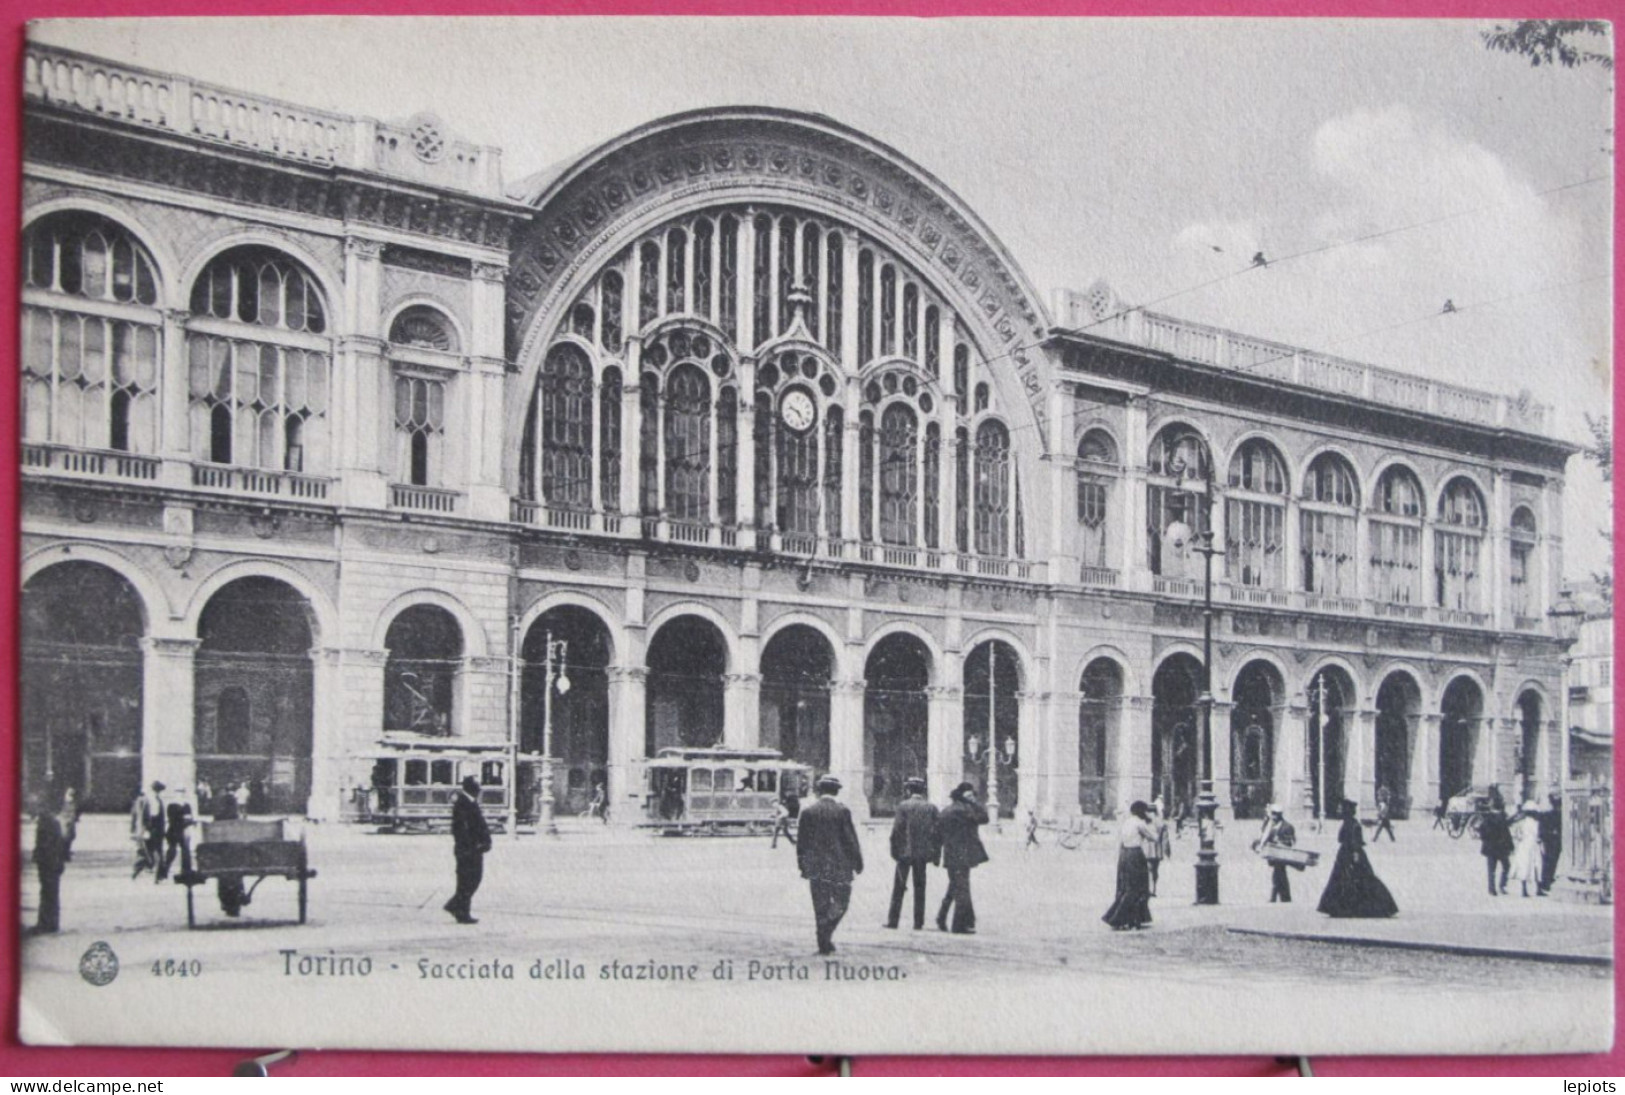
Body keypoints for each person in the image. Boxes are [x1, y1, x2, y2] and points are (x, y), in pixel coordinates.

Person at [795, 775, 864, 955]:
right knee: (841, 903)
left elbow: (801, 843)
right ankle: (826, 934)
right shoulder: (842, 811)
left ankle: (823, 941)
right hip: (839, 866)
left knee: (820, 905)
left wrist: (802, 865)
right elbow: (850, 840)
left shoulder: (808, 811)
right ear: (837, 791)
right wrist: (858, 862)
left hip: (816, 867)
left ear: (819, 791)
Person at [1317, 799, 1398, 918]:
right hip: (1345, 855)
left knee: (1360, 879)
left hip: (1351, 855)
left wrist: (1355, 856)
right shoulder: (1347, 822)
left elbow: (1355, 841)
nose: (1339, 811)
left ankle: (1369, 907)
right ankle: (1341, 907)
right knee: (1342, 880)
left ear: (1347, 811)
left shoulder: (1353, 824)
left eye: (1341, 809)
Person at [885, 777, 940, 930]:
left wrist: (894, 852)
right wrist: (936, 855)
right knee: (920, 887)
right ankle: (918, 922)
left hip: (904, 853)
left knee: (899, 887)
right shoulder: (931, 808)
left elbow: (896, 831)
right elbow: (937, 834)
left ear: (909, 790)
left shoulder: (903, 806)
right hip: (922, 854)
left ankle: (893, 921)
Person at [936, 782, 989, 934]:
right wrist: (974, 803)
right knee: (962, 890)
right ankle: (959, 925)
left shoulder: (946, 811)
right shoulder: (966, 810)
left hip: (951, 855)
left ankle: (941, 917)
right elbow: (984, 818)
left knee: (955, 886)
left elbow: (938, 833)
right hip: (964, 855)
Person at [445, 776, 493, 924]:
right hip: (469, 850)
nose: (479, 790)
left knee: (471, 880)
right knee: (468, 881)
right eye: (477, 787)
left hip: (473, 848)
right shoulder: (463, 803)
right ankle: (459, 910)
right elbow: (461, 829)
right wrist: (472, 845)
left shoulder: (469, 802)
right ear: (471, 788)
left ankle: (457, 907)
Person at [1103, 801, 1157, 930]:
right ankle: (1123, 918)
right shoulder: (1140, 823)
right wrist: (1152, 822)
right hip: (1136, 855)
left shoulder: (1126, 822)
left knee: (1126, 887)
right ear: (1141, 811)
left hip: (1124, 854)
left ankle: (1127, 918)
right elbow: (1154, 838)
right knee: (1139, 887)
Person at [32, 791, 68, 935]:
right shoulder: (51, 821)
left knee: (48, 893)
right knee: (50, 893)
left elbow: (47, 845)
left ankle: (46, 923)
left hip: (49, 863)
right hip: (52, 863)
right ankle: (50, 923)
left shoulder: (47, 822)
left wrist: (40, 857)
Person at [1255, 803, 1297, 903]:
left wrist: (1280, 842)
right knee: (1279, 874)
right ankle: (1284, 897)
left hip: (1282, 854)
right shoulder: (1270, 825)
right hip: (1274, 854)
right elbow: (1263, 834)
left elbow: (1291, 842)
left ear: (1280, 815)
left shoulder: (1287, 826)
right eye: (1272, 814)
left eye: (1276, 814)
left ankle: (1278, 897)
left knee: (1279, 874)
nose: (1274, 816)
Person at [131, 781, 165, 880]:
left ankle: (159, 876)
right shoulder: (143, 800)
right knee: (145, 852)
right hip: (147, 828)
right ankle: (137, 870)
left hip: (157, 828)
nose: (157, 792)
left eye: (158, 791)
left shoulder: (159, 800)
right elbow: (141, 817)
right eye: (155, 790)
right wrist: (144, 830)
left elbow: (160, 817)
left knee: (158, 852)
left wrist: (162, 830)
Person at [1478, 799, 1513, 897]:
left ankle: (1491, 889)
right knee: (1507, 866)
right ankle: (1502, 885)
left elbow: (1481, 832)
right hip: (1501, 848)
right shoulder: (1502, 818)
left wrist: (1486, 841)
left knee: (1491, 869)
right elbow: (1507, 834)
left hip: (1490, 848)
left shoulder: (1487, 818)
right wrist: (1510, 847)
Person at [1507, 800, 1542, 898]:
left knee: (1524, 866)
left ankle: (1524, 889)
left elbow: (1515, 833)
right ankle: (1538, 889)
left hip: (1524, 845)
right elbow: (1539, 835)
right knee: (1537, 865)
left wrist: (1520, 838)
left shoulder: (1521, 822)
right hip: (1534, 845)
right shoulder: (1536, 823)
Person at [161, 788, 195, 881]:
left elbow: (190, 817)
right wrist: (186, 821)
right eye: (179, 793)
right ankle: (164, 871)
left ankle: (186, 871)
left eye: (182, 793)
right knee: (172, 851)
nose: (181, 795)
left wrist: (189, 822)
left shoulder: (187, 805)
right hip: (174, 831)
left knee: (186, 851)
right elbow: (173, 819)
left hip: (183, 831)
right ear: (175, 794)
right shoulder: (172, 806)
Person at [1538, 792, 1563, 896]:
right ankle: (1546, 883)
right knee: (1550, 862)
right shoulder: (1555, 814)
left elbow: (1541, 829)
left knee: (1548, 862)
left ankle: (1547, 882)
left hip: (1550, 841)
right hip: (1552, 841)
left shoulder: (1547, 814)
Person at [1145, 798, 1171, 896]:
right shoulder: (1161, 823)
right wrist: (1167, 852)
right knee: (1155, 870)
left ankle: (1149, 889)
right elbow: (1165, 840)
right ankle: (1154, 889)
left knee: (1148, 870)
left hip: (1146, 850)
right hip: (1157, 851)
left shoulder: (1144, 823)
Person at [58, 787, 79, 863]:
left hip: (70, 821)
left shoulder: (72, 803)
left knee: (71, 836)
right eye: (70, 794)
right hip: (65, 821)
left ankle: (66, 852)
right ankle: (64, 854)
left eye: (72, 794)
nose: (71, 796)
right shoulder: (64, 803)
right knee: (65, 837)